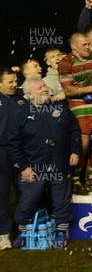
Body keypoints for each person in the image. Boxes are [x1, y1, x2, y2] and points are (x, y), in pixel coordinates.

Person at [7, 77, 82, 249]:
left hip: (59, 163)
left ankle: (62, 231)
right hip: (34, 167)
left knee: (61, 199)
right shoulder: (20, 113)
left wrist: (75, 150)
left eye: (44, 86)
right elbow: (12, 143)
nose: (45, 89)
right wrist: (24, 168)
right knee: (28, 200)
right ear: (29, 95)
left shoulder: (60, 108)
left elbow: (74, 129)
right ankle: (24, 231)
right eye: (39, 88)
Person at [58, 32, 92, 195]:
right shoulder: (65, 62)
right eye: (84, 45)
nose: (88, 47)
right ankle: (76, 180)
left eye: (89, 44)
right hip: (78, 109)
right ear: (74, 46)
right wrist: (90, 89)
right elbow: (68, 90)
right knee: (83, 146)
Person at [0, 68, 21, 250]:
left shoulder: (22, 97)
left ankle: (26, 228)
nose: (15, 85)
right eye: (10, 82)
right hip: (2, 153)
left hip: (22, 151)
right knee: (2, 193)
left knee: (25, 190)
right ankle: (4, 233)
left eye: (16, 81)